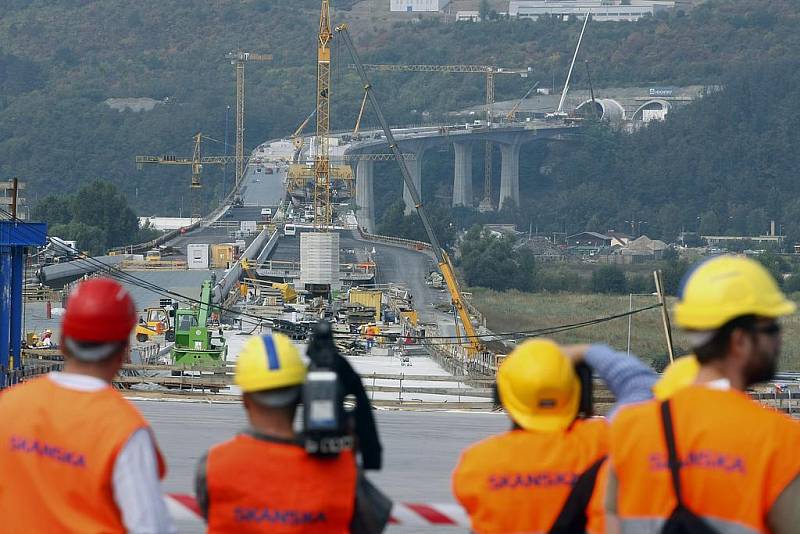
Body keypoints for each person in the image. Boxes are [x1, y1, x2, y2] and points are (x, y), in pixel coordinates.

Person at [607, 255, 800, 533]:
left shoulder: (629, 429)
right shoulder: (779, 441)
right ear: (740, 341)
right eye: (772, 329)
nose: (779, 340)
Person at [0, 277, 174, 533]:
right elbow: (149, 526)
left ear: (64, 341)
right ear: (124, 349)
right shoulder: (123, 430)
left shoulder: (9, 405)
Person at [452, 338, 657, 534]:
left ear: (504, 397)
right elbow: (643, 388)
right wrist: (588, 351)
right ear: (579, 392)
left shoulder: (476, 464)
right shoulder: (603, 441)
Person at [195, 333, 383, 533]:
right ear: (301, 395)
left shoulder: (213, 466)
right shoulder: (342, 470)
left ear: (245, 399)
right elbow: (372, 523)